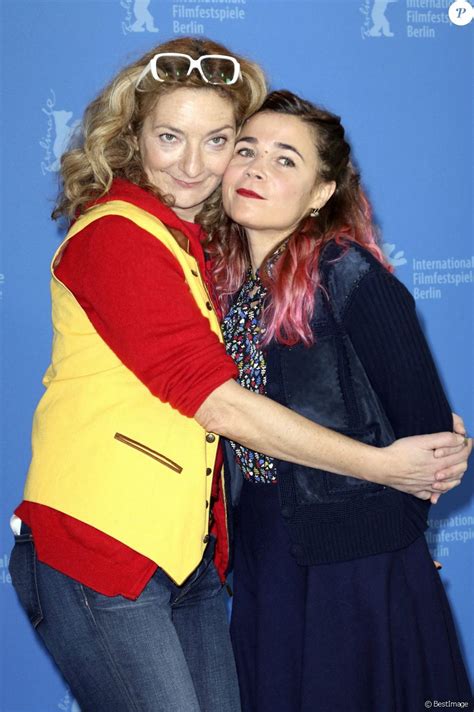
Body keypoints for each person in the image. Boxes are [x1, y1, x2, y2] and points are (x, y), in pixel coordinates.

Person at [9, 40, 469, 712]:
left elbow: (422, 437)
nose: (198, 164)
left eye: (220, 140)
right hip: (113, 553)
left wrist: (398, 525)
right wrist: (382, 466)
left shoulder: (262, 266)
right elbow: (220, 407)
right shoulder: (123, 237)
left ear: (321, 190)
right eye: (171, 137)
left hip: (218, 564)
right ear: (133, 139)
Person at [211, 89, 473, 711]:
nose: (255, 169)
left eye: (285, 160)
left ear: (321, 194)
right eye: (246, 150)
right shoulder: (220, 289)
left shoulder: (346, 271)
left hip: (352, 561)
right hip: (260, 549)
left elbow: (431, 440)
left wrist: (388, 561)